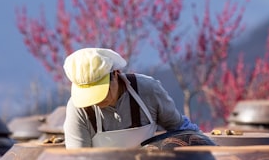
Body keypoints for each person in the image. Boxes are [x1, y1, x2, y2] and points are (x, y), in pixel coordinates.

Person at [62, 47, 199, 148]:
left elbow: (181, 129)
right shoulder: (77, 109)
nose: (96, 100)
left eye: (100, 91)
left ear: (115, 74)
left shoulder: (148, 90)